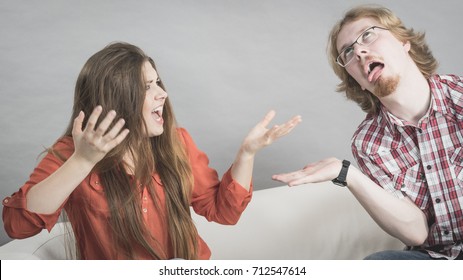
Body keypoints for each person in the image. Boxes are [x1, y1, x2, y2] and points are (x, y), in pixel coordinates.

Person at [2, 42, 302, 260]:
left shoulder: (177, 141)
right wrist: (83, 160)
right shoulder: (71, 151)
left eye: (157, 82)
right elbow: (18, 225)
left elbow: (223, 212)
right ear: (117, 98)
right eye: (147, 86)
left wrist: (246, 154)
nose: (163, 93)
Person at [273, 4, 463, 260]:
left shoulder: (459, 95)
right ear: (357, 81)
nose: (360, 51)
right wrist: (348, 174)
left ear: (404, 41)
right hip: (440, 258)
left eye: (368, 35)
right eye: (348, 51)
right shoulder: (369, 143)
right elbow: (417, 233)